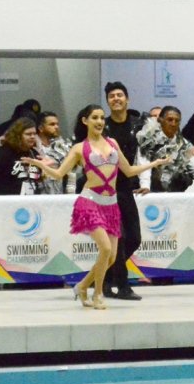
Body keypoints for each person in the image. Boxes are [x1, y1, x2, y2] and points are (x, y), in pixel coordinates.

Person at [23, 105, 170, 309]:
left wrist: (153, 164)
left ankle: (83, 286)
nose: (100, 121)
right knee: (106, 249)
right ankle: (98, 293)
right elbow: (58, 174)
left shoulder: (112, 143)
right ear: (85, 121)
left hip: (111, 205)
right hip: (90, 202)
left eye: (102, 117)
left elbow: (128, 170)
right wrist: (39, 165)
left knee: (110, 258)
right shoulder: (78, 148)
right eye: (95, 117)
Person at [102, 81, 145, 301]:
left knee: (135, 238)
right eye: (111, 96)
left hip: (127, 188)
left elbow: (145, 153)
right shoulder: (103, 126)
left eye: (120, 95)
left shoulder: (139, 125)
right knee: (116, 238)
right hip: (106, 189)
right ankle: (123, 285)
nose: (116, 98)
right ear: (107, 101)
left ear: (127, 99)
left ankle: (105, 277)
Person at [0, 118, 42, 195]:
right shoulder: (1, 153)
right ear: (18, 135)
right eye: (28, 134)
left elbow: (39, 179)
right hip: (7, 202)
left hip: (31, 201)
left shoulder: (34, 154)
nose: (32, 137)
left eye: (34, 134)